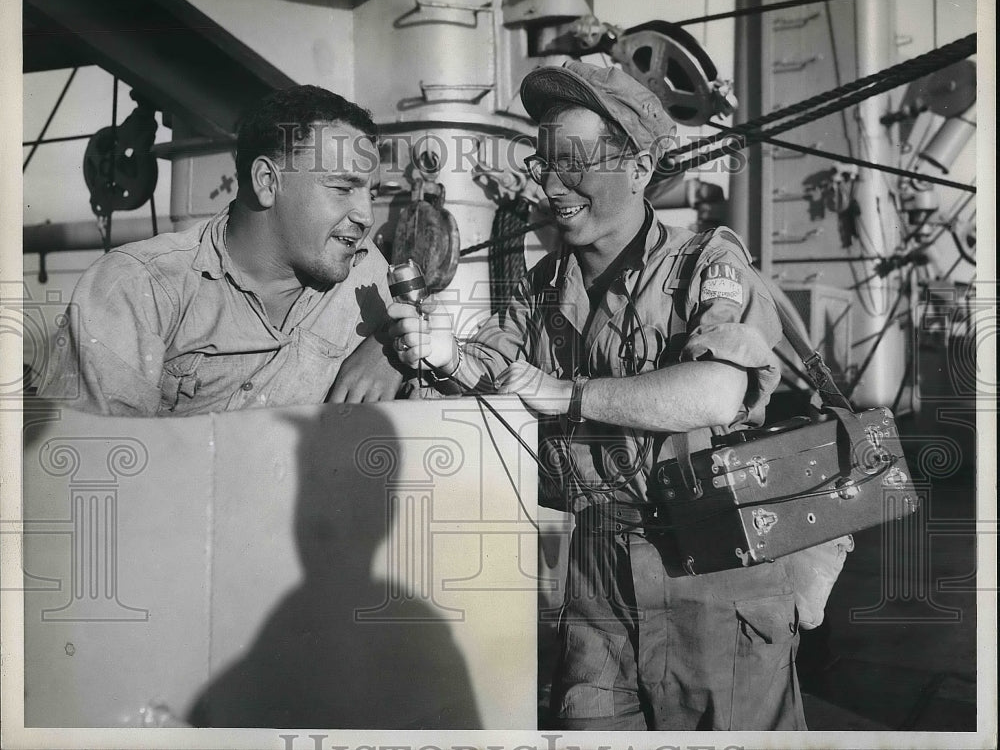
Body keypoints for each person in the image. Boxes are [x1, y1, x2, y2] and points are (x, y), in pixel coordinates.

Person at [386, 61, 809, 730]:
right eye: (544, 163)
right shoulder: (543, 285)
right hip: (595, 579)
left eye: (574, 163)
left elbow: (715, 395)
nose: (552, 184)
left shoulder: (707, 265)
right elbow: (493, 369)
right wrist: (443, 357)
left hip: (711, 572)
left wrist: (566, 394)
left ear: (639, 168)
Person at [39, 85, 403, 416]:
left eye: (370, 194)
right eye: (342, 188)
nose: (366, 216)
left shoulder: (364, 273)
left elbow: (437, 348)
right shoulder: (139, 287)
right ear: (266, 182)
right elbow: (94, 461)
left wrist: (391, 346)